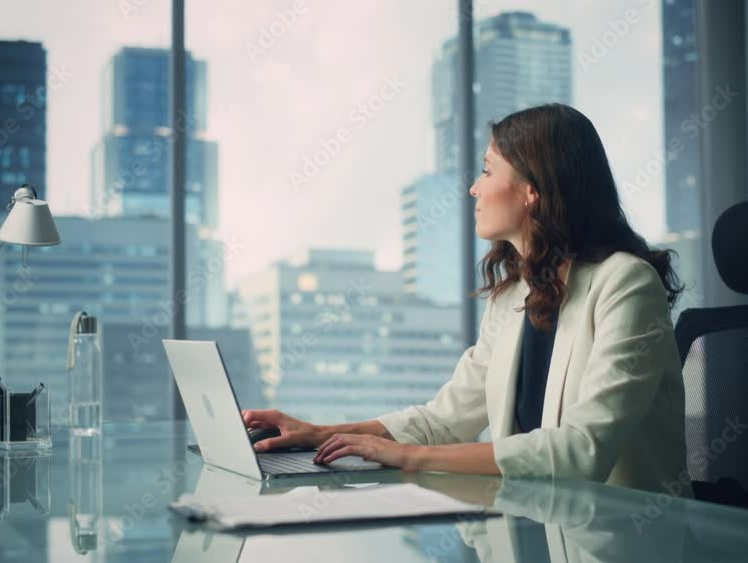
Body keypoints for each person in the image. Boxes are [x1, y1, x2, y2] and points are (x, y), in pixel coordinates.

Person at [244, 103, 691, 494]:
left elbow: (582, 450)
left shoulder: (626, 284)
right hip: (536, 523)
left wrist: (411, 457)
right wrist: (318, 434)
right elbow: (444, 420)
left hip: (622, 538)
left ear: (532, 191)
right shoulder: (515, 294)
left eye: (487, 169)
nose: (474, 188)